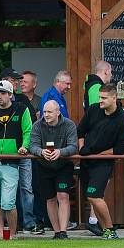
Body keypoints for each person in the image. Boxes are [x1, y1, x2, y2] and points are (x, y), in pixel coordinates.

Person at [0, 80, 33, 240]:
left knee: (8, 203)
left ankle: (13, 234)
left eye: (3, 93)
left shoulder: (21, 109)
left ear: (11, 95)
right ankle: (3, 235)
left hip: (11, 162)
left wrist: (25, 146)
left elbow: (28, 131)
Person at [77, 83, 124, 240]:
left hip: (104, 162)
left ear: (114, 98)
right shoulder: (93, 109)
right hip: (86, 160)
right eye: (100, 97)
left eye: (104, 98)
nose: (100, 100)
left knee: (94, 195)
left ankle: (111, 229)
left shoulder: (122, 119)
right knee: (91, 196)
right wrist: (82, 149)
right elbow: (80, 130)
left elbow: (121, 148)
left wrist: (98, 153)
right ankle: (104, 230)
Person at [28, 100, 78, 240]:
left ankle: (63, 231)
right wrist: (41, 152)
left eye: (49, 112)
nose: (46, 115)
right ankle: (56, 232)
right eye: (44, 112)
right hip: (44, 166)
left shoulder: (69, 125)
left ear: (58, 112)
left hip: (63, 165)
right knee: (50, 199)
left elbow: (74, 147)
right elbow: (32, 146)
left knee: (63, 196)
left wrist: (60, 152)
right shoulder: (37, 125)